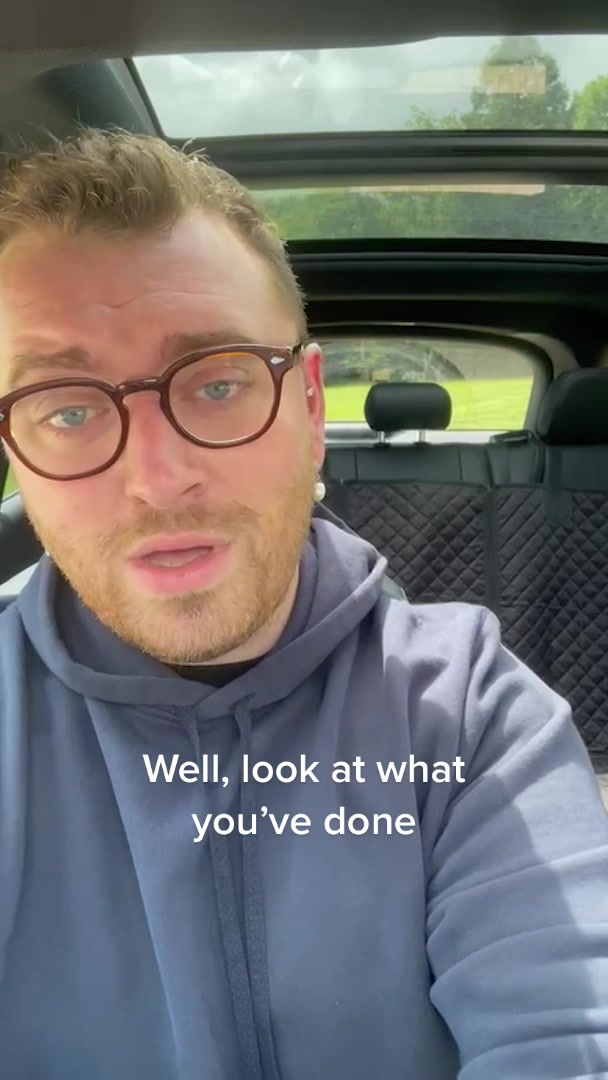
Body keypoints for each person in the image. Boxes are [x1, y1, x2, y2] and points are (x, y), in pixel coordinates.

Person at [0, 130, 605, 1080]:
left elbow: (570, 1032)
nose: (156, 479)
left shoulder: (471, 716)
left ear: (313, 406)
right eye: (67, 410)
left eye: (219, 383)